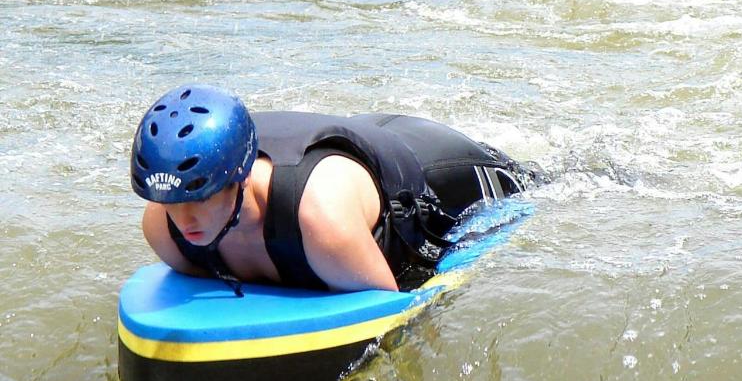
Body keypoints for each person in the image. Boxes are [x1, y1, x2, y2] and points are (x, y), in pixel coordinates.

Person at [131, 84, 539, 294]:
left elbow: (394, 320)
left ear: (238, 177)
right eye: (171, 200)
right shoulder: (164, 230)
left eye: (200, 195)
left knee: (554, 184)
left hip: (439, 167)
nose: (183, 218)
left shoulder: (320, 222)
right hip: (353, 145)